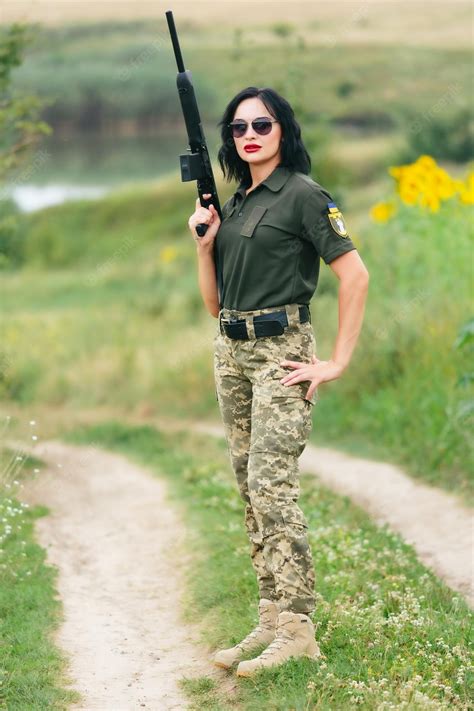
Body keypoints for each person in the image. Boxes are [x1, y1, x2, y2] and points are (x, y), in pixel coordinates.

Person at [188, 86, 369, 677]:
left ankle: (298, 630)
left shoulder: (303, 196)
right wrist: (205, 242)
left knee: (271, 484)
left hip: (282, 353)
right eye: (239, 128)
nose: (250, 135)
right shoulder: (236, 204)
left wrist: (336, 362)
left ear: (282, 130)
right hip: (232, 353)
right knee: (247, 485)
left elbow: (355, 276)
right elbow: (215, 302)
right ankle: (270, 617)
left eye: (261, 124)